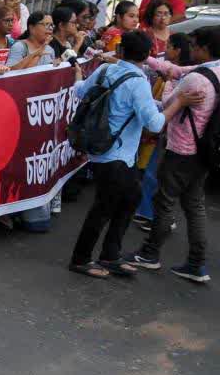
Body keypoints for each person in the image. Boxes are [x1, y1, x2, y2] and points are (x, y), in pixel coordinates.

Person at [68, 31, 201, 279]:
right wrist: (178, 103)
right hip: (115, 154)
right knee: (105, 207)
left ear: (120, 51)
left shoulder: (106, 70)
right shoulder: (137, 80)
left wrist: (77, 76)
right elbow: (154, 123)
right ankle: (81, 258)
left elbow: (81, 92)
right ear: (149, 54)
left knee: (130, 199)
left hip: (109, 152)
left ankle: (110, 255)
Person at [124, 27, 220, 282]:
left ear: (205, 48)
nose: (191, 49)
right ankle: (197, 264)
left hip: (181, 149)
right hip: (205, 152)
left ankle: (150, 254)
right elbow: (174, 71)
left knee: (164, 203)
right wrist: (151, 60)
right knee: (195, 206)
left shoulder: (197, 80)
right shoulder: (216, 71)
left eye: (194, 45)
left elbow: (168, 107)